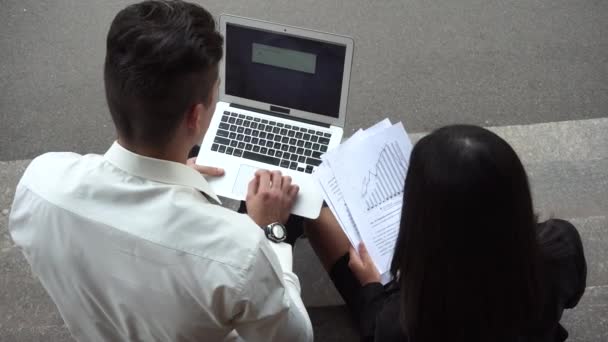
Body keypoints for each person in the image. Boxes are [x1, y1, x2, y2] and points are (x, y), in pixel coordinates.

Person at [8, 1, 313, 341]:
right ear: (196, 117)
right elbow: (296, 337)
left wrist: (173, 174)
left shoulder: (40, 185)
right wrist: (270, 230)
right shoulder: (240, 250)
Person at [305, 125, 587, 342]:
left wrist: (371, 286)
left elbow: (381, 325)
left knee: (318, 218)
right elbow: (571, 297)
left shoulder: (404, 320)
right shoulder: (561, 246)